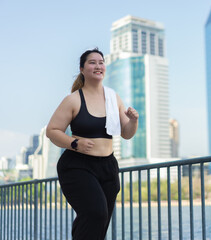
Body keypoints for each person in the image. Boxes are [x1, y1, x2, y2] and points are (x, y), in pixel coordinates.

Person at [46, 48, 138, 240]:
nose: (98, 66)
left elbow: (126, 134)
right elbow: (52, 131)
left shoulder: (113, 98)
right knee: (96, 214)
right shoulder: (73, 100)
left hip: (108, 167)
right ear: (82, 69)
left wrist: (133, 121)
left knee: (98, 222)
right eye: (92, 62)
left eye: (101, 62)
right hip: (78, 166)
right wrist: (74, 143)